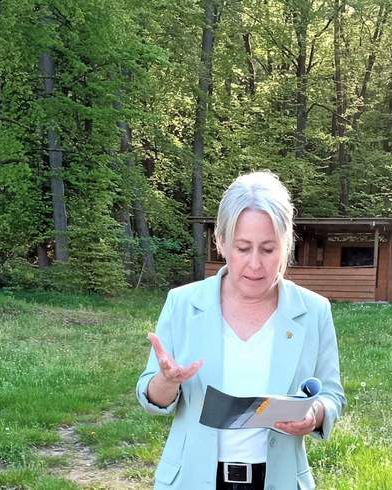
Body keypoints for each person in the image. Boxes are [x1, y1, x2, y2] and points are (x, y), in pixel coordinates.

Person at [136, 171, 345, 490]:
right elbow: (152, 398)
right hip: (193, 479)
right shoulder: (183, 303)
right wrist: (166, 380)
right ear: (220, 241)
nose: (255, 264)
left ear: (287, 244)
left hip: (279, 480)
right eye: (243, 248)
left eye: (268, 249)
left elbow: (332, 395)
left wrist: (314, 413)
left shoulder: (313, 311)